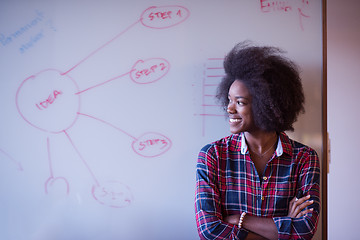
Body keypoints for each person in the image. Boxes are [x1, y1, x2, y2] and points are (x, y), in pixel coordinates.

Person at [195, 41, 320, 240]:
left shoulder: (304, 158)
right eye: (229, 99)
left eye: (240, 102)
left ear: (267, 105)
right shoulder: (213, 155)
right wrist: (282, 230)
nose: (229, 108)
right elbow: (209, 231)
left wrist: (238, 220)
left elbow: (304, 230)